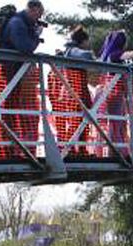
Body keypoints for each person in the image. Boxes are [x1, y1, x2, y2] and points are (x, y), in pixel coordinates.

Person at [0, 0, 45, 159]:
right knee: (7, 112)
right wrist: (36, 35)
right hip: (8, 71)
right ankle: (5, 153)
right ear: (31, 9)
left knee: (10, 111)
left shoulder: (21, 23)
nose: (39, 18)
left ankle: (10, 151)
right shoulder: (17, 23)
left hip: (12, 72)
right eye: (38, 14)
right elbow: (25, 48)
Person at [51, 25, 94, 156]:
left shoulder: (67, 51)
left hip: (73, 91)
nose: (88, 44)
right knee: (77, 121)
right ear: (83, 41)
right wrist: (93, 55)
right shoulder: (74, 50)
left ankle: (78, 148)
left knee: (79, 121)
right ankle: (68, 149)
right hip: (76, 92)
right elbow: (87, 56)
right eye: (87, 41)